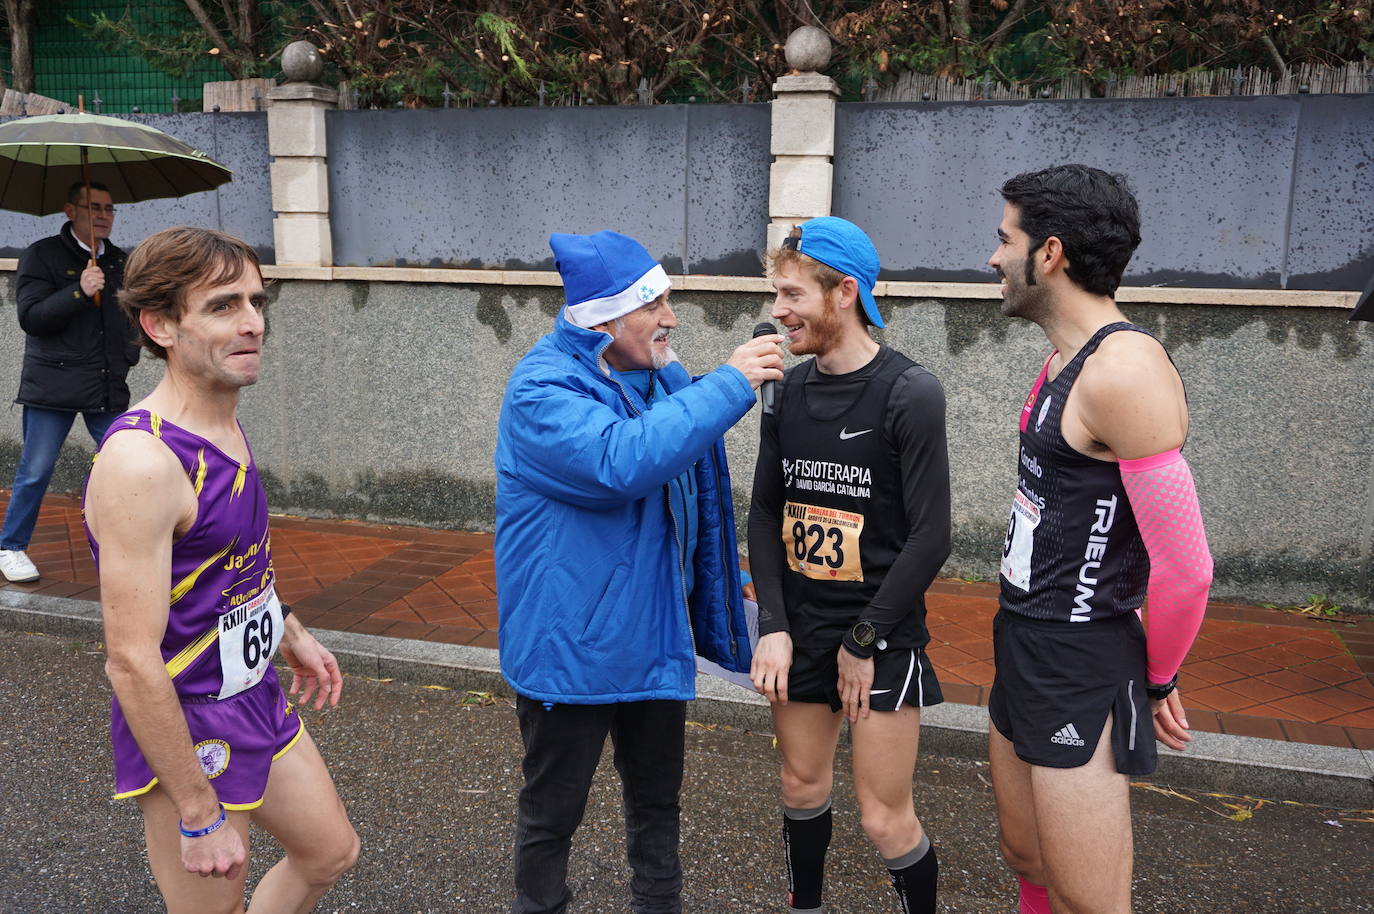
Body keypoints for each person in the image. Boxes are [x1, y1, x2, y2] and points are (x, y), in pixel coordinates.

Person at [495, 229, 784, 914]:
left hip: (654, 632)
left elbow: (692, 495)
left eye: (667, 301)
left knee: (658, 805)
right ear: (604, 316)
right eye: (654, 303)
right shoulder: (541, 389)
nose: (671, 318)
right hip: (573, 648)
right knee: (552, 812)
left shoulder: (662, 377)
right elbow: (621, 462)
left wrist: (721, 575)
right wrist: (733, 382)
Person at [83, 227, 358, 912]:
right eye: (223, 306)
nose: (253, 324)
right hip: (187, 721)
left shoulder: (222, 423)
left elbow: (227, 564)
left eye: (257, 303)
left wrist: (287, 628)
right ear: (160, 325)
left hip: (252, 692)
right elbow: (130, 661)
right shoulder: (143, 463)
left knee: (330, 852)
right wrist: (197, 810)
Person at [986, 165, 1213, 914]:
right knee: (1026, 855)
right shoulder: (1062, 358)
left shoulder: (1126, 372)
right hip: (1021, 636)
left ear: (1047, 254)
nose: (993, 259)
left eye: (1004, 239)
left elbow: (1186, 569)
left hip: (1082, 655)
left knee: (1092, 900)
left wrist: (1157, 679)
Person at [747, 217, 951, 914]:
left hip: (881, 636)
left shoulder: (910, 393)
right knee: (801, 786)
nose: (777, 311)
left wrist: (864, 642)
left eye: (791, 294)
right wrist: (771, 623)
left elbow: (933, 536)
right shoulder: (787, 390)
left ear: (845, 294)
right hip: (801, 627)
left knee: (883, 817)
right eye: (776, 295)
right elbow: (764, 513)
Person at [1, 181, 140, 583]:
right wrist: (79, 290)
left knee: (129, 464)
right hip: (54, 385)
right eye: (93, 208)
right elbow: (32, 317)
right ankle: (10, 546)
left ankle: (136, 539)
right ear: (70, 211)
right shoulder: (42, 256)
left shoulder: (119, 261)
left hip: (105, 383)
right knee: (36, 469)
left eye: (109, 209)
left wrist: (127, 357)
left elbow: (132, 315)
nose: (103, 216)